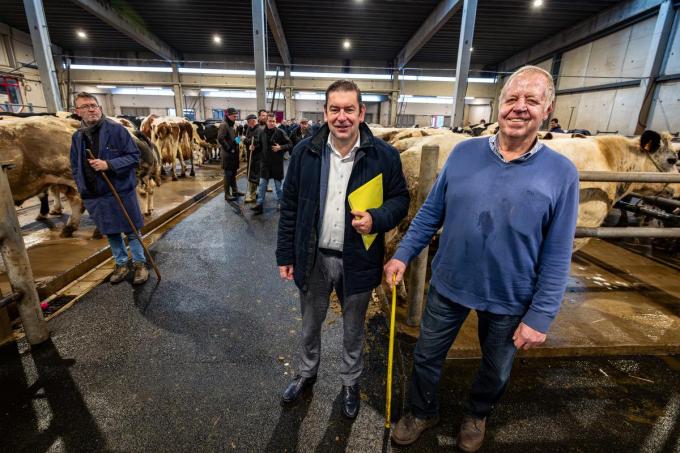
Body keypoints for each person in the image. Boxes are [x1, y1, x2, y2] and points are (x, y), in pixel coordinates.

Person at [384, 66, 579, 452]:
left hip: (510, 296)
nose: (519, 108)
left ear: (548, 109)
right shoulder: (464, 153)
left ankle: (477, 414)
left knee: (496, 368)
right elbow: (430, 214)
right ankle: (423, 411)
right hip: (449, 284)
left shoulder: (561, 173)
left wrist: (541, 314)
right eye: (512, 98)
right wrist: (403, 254)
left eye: (532, 100)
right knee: (426, 355)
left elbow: (558, 252)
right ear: (499, 104)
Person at [276, 80, 410, 419]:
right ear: (324, 113)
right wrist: (285, 256)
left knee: (354, 328)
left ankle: (350, 382)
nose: (342, 117)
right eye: (334, 109)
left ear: (361, 112)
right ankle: (307, 373)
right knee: (309, 323)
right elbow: (289, 206)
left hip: (358, 258)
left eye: (349, 109)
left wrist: (377, 219)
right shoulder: (307, 152)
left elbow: (400, 200)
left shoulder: (384, 155)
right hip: (314, 257)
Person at [69, 92, 149, 285]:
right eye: (85, 106)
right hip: (96, 194)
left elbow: (134, 157)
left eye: (94, 105)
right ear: (77, 112)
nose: (91, 109)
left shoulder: (116, 130)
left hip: (119, 190)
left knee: (131, 230)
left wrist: (109, 165)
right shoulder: (77, 137)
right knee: (111, 231)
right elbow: (74, 164)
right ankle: (121, 264)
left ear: (100, 108)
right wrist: (82, 186)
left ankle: (139, 264)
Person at [250, 113, 292, 214]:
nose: (272, 123)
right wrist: (254, 147)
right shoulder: (262, 132)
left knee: (278, 187)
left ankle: (281, 203)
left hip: (277, 164)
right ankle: (259, 205)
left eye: (273, 121)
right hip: (265, 164)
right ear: (267, 121)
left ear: (276, 122)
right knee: (262, 185)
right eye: (270, 121)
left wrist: (280, 147)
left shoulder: (280, 132)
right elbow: (260, 145)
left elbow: (290, 144)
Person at [218, 107, 241, 201]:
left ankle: (235, 191)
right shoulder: (224, 125)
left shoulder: (231, 125)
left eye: (236, 116)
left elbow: (234, 138)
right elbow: (220, 138)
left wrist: (239, 137)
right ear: (228, 115)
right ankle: (227, 195)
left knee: (233, 174)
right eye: (234, 116)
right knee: (228, 175)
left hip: (233, 154)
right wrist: (229, 148)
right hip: (228, 155)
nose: (236, 118)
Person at [242, 113, 259, 203]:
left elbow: (257, 141)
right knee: (251, 174)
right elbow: (248, 139)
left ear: (253, 121)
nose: (248, 124)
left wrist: (245, 140)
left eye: (249, 122)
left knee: (254, 175)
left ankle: (252, 195)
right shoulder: (249, 128)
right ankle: (253, 193)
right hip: (250, 155)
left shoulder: (259, 129)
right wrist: (246, 140)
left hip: (257, 156)